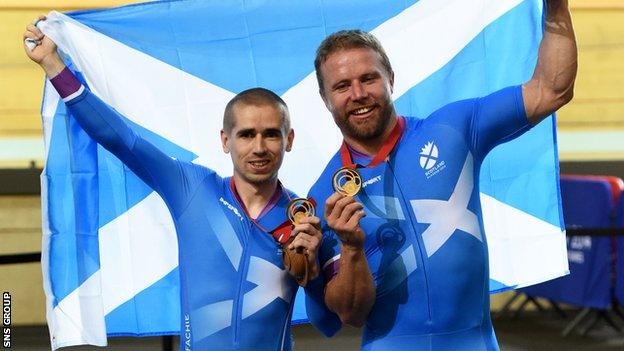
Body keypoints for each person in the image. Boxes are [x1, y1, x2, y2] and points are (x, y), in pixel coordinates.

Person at [24, 16, 323, 351]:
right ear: (226, 140)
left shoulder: (304, 220)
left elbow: (328, 321)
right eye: (246, 135)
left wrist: (313, 280)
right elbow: (123, 141)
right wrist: (52, 64)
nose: (259, 147)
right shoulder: (193, 190)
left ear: (289, 139)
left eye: (271, 134)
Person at [305, 0, 577, 350]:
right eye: (342, 86)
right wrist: (351, 246)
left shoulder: (454, 130)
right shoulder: (323, 196)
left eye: (368, 78)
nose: (358, 94)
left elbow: (550, 91)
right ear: (325, 98)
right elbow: (350, 315)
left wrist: (556, 12)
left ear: (390, 78)